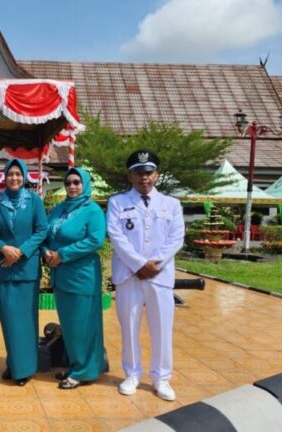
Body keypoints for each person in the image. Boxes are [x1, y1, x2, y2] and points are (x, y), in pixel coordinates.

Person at [106, 149, 184, 401]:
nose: (144, 178)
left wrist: (153, 266)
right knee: (129, 326)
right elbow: (116, 236)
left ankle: (162, 378)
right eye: (138, 173)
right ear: (129, 176)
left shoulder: (171, 204)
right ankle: (132, 374)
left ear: (157, 175)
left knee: (162, 328)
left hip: (159, 277)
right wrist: (139, 265)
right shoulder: (117, 203)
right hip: (129, 276)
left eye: (149, 172)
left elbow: (176, 238)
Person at [43, 167, 106, 390]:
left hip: (82, 276)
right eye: (68, 182)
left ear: (85, 184)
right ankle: (75, 364)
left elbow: (95, 240)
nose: (72, 186)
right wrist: (47, 252)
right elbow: (46, 234)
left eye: (77, 182)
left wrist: (63, 254)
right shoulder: (58, 210)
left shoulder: (93, 210)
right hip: (60, 276)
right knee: (69, 326)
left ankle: (83, 371)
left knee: (84, 325)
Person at [0, 159, 48, 386]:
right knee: (9, 320)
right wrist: (2, 248)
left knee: (26, 320)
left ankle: (25, 368)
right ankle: (14, 363)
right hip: (2, 268)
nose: (14, 178)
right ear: (5, 176)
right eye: (10, 174)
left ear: (24, 177)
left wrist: (22, 251)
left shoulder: (34, 201)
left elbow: (41, 229)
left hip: (26, 269)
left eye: (18, 174)